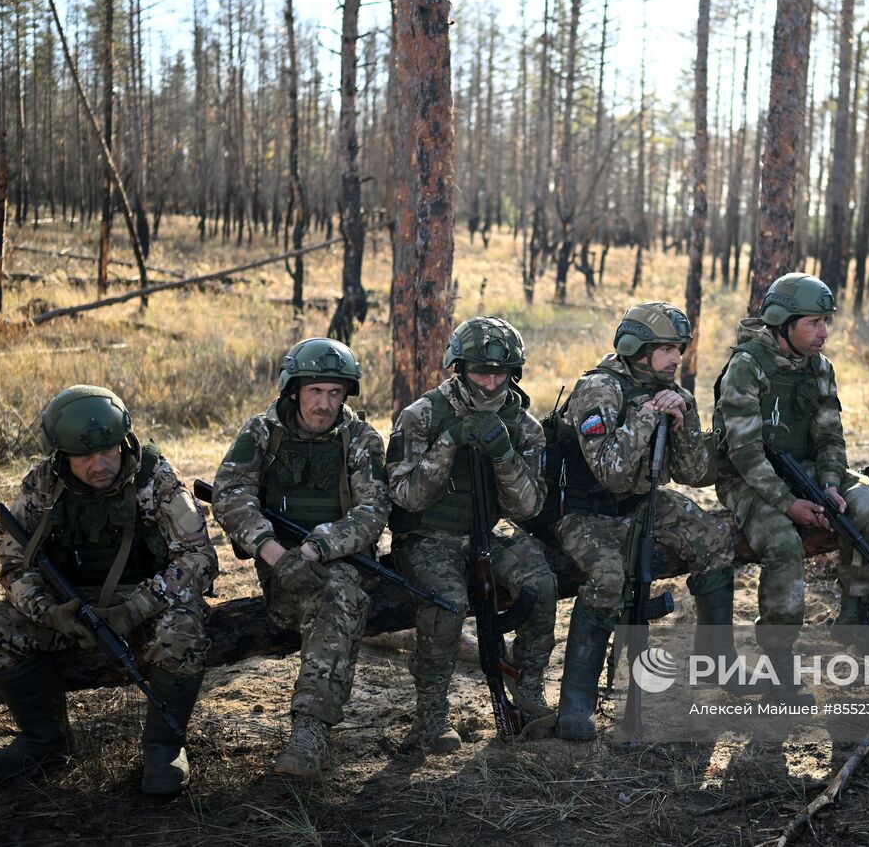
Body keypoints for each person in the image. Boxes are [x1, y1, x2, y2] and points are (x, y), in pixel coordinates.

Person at [0, 385, 216, 795]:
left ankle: (163, 747)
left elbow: (199, 560)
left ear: (122, 442)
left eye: (108, 452)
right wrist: (50, 612)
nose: (100, 464)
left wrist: (133, 610)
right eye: (85, 457)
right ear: (62, 455)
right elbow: (15, 564)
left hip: (145, 599)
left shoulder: (155, 478)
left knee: (183, 631)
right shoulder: (43, 484)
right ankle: (44, 740)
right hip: (69, 603)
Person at [551, 302, 741, 741]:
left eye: (680, 348)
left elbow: (694, 474)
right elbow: (611, 473)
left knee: (713, 538)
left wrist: (684, 419)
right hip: (584, 511)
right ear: (638, 348)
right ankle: (576, 700)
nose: (677, 358)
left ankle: (717, 659)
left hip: (637, 503)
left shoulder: (669, 390)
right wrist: (645, 416)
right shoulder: (597, 389)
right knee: (608, 575)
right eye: (668, 349)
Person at [213, 338, 388, 779]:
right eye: (316, 392)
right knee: (327, 596)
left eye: (335, 393)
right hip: (278, 564)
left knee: (338, 595)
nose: (325, 403)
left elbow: (372, 512)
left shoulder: (362, 439)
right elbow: (231, 496)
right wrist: (274, 552)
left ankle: (310, 731)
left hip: (344, 561)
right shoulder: (261, 433)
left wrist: (316, 548)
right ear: (294, 390)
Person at [713, 273, 869, 703]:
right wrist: (789, 504)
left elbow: (831, 438)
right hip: (749, 477)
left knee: (867, 504)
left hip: (806, 469)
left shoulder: (820, 368)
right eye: (813, 322)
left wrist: (829, 485)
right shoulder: (747, 366)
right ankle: (778, 665)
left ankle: (855, 615)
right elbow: (745, 453)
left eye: (826, 321)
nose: (824, 333)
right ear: (784, 322)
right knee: (782, 542)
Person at [386, 316, 557, 752]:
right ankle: (431, 717)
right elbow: (406, 497)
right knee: (447, 603)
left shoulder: (524, 426)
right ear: (458, 368)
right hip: (429, 534)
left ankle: (529, 687)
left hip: (491, 529)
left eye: (501, 373)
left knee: (540, 585)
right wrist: (448, 444)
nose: (490, 382)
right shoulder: (422, 415)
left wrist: (503, 453)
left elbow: (528, 506)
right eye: (481, 371)